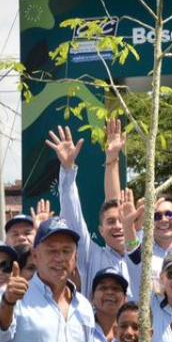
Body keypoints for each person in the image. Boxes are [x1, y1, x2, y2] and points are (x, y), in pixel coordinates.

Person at [50, 123, 134, 296]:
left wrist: (113, 158)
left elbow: (114, 201)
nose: (118, 226)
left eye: (121, 220)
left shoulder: (143, 258)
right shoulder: (92, 256)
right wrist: (67, 170)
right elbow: (73, 217)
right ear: (101, 231)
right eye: (110, 222)